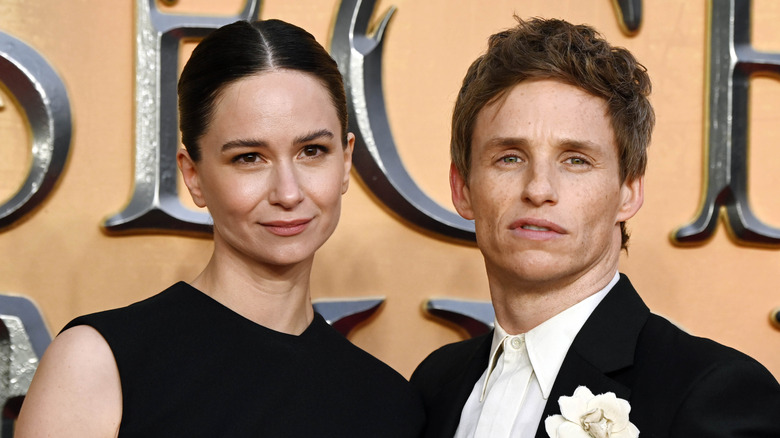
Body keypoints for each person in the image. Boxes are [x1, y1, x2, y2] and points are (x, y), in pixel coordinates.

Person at [16, 19, 424, 437]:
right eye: (249, 157)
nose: (288, 192)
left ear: (346, 161)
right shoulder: (98, 363)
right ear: (193, 176)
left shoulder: (389, 403)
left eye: (312, 151)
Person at [410, 16, 780, 438]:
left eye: (576, 160)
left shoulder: (713, 391)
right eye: (509, 157)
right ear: (463, 189)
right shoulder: (433, 386)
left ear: (628, 192)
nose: (539, 189)